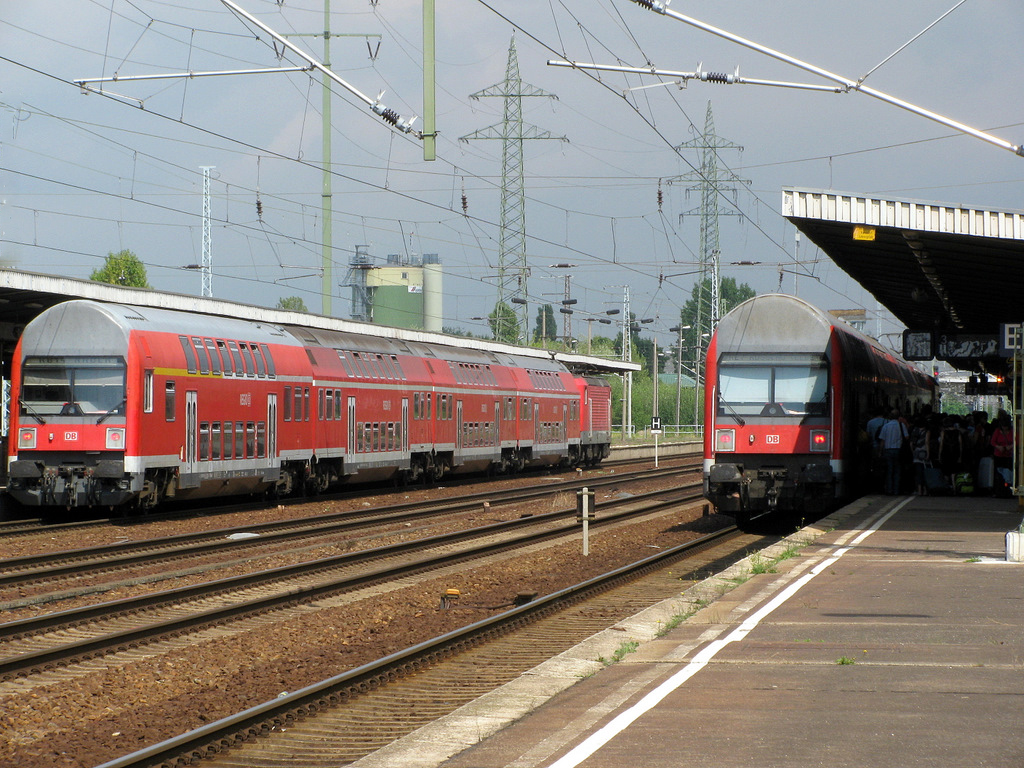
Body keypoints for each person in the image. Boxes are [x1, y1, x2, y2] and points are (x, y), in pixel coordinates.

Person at [877, 409, 908, 495]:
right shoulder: (901, 425)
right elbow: (906, 437)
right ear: (899, 416)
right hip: (898, 450)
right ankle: (896, 490)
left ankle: (889, 490)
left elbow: (882, 440)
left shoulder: (886, 426)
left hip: (888, 450)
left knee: (889, 471)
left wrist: (880, 452)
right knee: (897, 470)